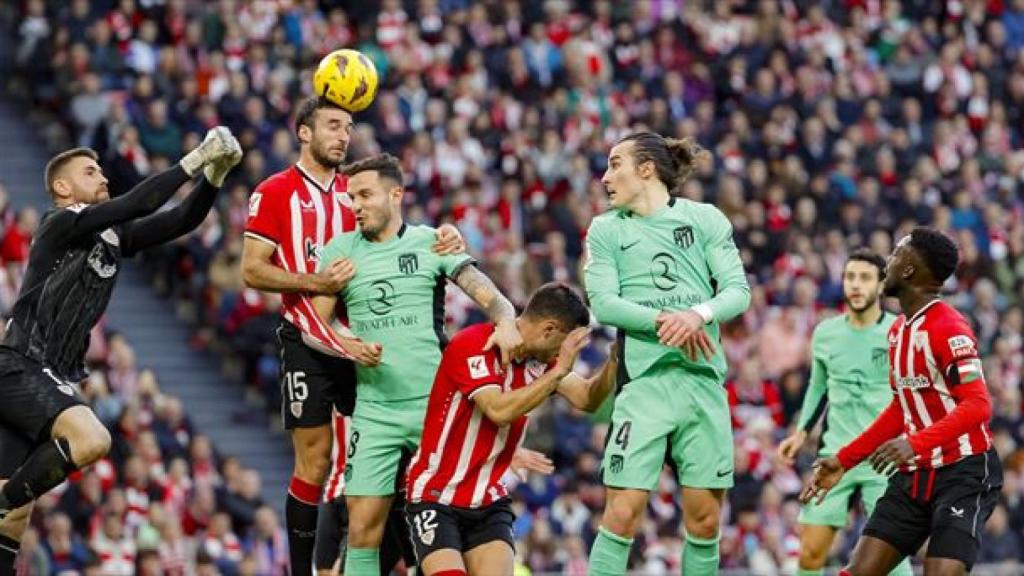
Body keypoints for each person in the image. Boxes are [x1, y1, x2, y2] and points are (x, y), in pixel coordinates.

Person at [0, 129, 242, 572]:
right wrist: (195, 159)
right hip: (20, 364)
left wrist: (216, 176)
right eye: (90, 172)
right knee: (91, 440)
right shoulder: (60, 223)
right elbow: (140, 203)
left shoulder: (111, 236)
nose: (103, 177)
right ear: (62, 188)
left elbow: (180, 221)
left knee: (16, 518)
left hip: (42, 376)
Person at [240, 96, 463, 576]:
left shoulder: (356, 193)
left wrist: (442, 235)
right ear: (304, 132)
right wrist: (318, 283)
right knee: (317, 463)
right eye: (334, 125)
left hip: (364, 337)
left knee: (381, 467)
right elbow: (253, 271)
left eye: (349, 127)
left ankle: (394, 562)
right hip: (307, 336)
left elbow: (395, 235)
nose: (344, 135)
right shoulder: (275, 192)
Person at [311, 152, 522, 576]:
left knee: (445, 522)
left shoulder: (431, 242)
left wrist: (505, 318)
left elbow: (482, 289)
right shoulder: (340, 250)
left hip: (436, 410)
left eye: (366, 195)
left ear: (396, 194)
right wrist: (347, 344)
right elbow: (316, 321)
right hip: (374, 409)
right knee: (363, 527)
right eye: (352, 197)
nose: (356, 205)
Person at [583, 132, 751, 576]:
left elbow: (738, 291)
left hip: (702, 382)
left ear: (646, 169)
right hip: (644, 385)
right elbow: (603, 303)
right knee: (622, 513)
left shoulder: (704, 219)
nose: (605, 177)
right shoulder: (606, 229)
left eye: (615, 164)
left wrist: (697, 314)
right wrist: (666, 320)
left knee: (704, 519)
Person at [800, 227, 1003, 576]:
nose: (887, 265)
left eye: (894, 255)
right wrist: (844, 461)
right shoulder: (899, 330)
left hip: (962, 473)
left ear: (909, 270)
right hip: (914, 476)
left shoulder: (949, 327)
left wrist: (913, 443)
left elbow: (978, 405)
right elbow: (901, 407)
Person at [404, 282, 617, 576]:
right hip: (436, 495)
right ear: (549, 329)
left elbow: (586, 398)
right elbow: (499, 410)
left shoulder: (542, 362)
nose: (561, 355)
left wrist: (616, 358)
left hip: (488, 499)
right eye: (562, 345)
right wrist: (557, 373)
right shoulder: (474, 343)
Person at [777, 250, 912, 576]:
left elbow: (914, 394)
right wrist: (800, 433)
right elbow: (818, 387)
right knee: (809, 554)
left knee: (892, 560)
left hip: (884, 459)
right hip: (834, 455)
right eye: (850, 277)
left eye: (865, 278)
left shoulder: (900, 332)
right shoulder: (826, 333)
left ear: (881, 285)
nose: (855, 284)